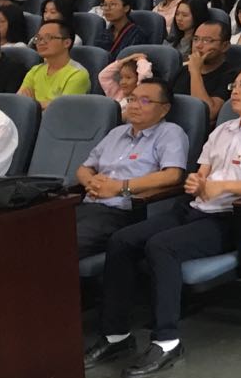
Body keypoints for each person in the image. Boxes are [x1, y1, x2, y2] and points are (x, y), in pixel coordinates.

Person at [85, 65, 241, 378]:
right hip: (195, 208)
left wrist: (224, 187)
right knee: (122, 240)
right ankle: (116, 335)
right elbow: (202, 172)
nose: (235, 91)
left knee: (162, 246)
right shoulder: (223, 130)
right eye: (234, 84)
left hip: (232, 218)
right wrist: (198, 181)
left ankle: (167, 341)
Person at [74, 77, 189, 257]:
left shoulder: (170, 133)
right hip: (88, 205)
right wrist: (92, 182)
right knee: (37, 232)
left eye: (145, 101)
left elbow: (173, 175)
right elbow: (84, 168)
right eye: (132, 99)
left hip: (121, 212)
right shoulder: (116, 133)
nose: (135, 106)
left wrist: (119, 187)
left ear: (164, 109)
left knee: (62, 244)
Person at [19, 20, 92, 110]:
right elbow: (20, 102)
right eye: (38, 38)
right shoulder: (35, 70)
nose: (41, 43)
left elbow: (62, 109)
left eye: (48, 37)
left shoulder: (77, 74)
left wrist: (33, 104)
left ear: (66, 43)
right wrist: (46, 104)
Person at [175, 19, 238, 123]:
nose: (198, 45)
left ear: (225, 46)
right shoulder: (183, 70)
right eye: (196, 39)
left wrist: (195, 72)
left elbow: (209, 114)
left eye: (207, 41)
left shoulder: (232, 75)